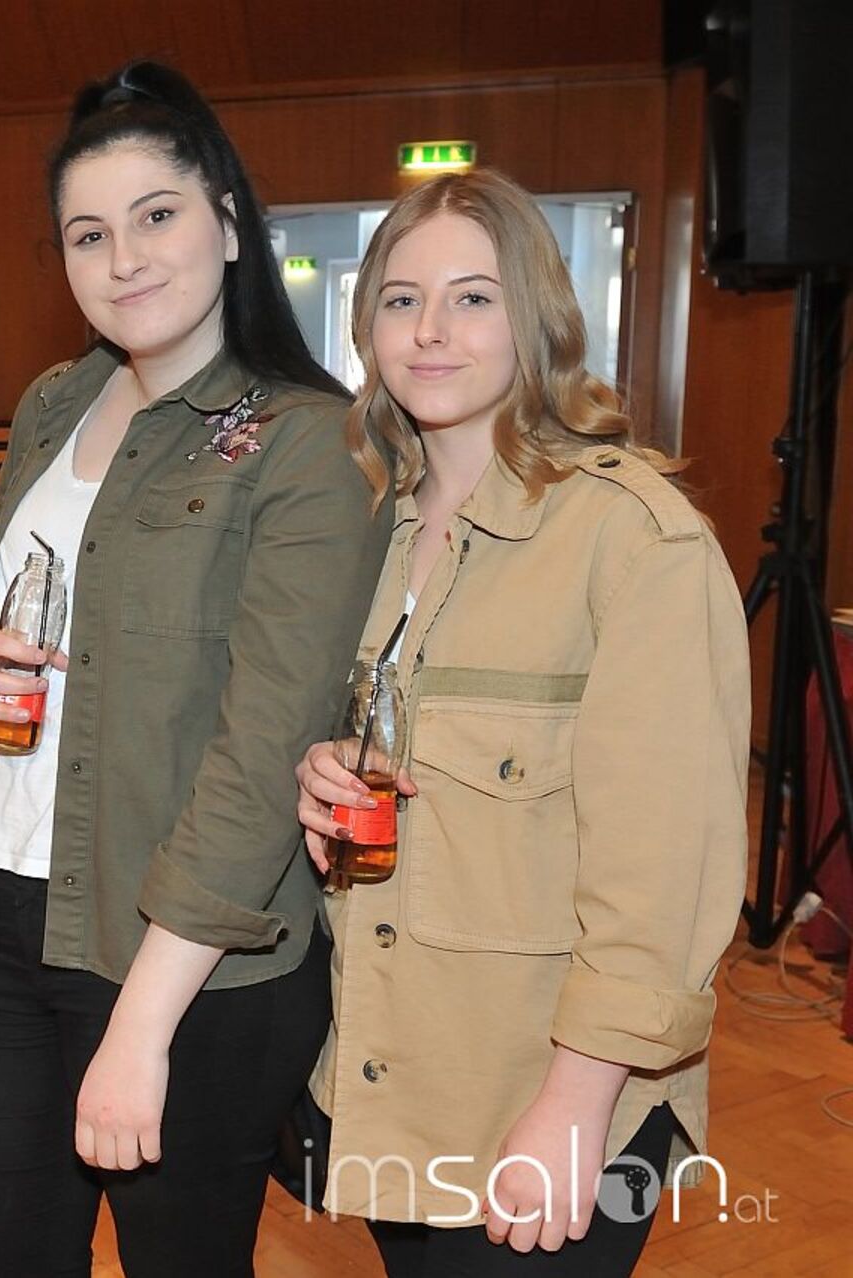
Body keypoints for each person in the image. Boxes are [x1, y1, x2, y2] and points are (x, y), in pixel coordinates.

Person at [0, 60, 391, 1276]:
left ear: (227, 225)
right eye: (89, 234)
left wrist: (140, 1026)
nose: (123, 258)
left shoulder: (307, 443)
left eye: (156, 215)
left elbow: (263, 755)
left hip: (181, 953)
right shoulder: (53, 402)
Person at [293, 168, 749, 1276]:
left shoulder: (634, 540)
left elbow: (667, 871)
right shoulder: (374, 530)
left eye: (473, 298)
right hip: (399, 1072)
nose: (431, 330)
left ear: (537, 319)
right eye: (402, 300)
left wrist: (574, 1109)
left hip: (539, 1104)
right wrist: (325, 771)